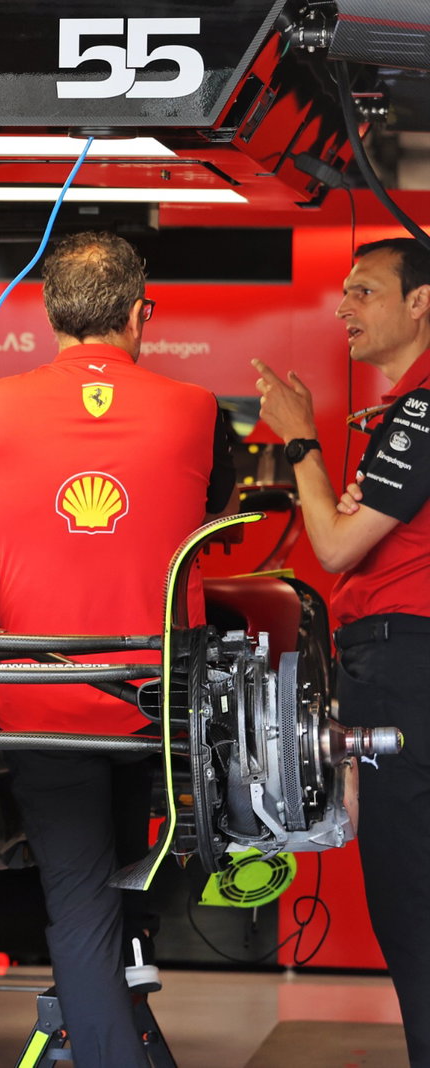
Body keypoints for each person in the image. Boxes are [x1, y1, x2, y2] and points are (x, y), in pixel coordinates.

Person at [0, 230, 233, 1067]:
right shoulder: (201, 409)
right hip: (156, 699)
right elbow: (205, 528)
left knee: (81, 897)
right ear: (144, 314)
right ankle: (115, 1042)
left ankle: (107, 1045)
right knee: (126, 889)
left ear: (48, 314)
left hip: (43, 696)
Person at [253, 236, 430, 1064]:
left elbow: (330, 546)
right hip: (398, 665)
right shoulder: (409, 413)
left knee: (413, 907)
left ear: (420, 301)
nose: (344, 308)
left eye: (364, 291)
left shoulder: (424, 406)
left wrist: (300, 440)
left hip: (406, 669)